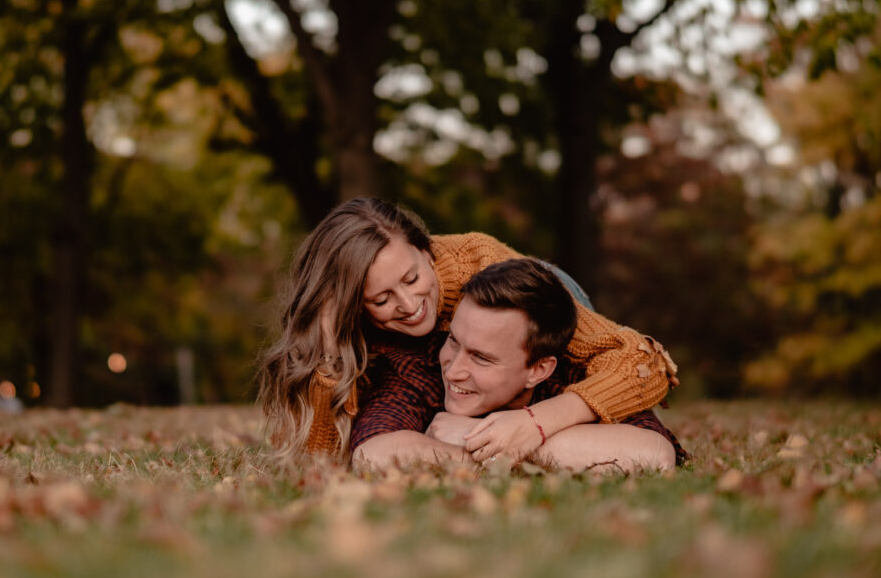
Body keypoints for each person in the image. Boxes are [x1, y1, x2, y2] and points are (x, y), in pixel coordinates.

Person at [257, 197, 680, 463]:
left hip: (532, 297)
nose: (408, 306)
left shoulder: (482, 264)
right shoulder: (374, 343)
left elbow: (642, 361)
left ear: (427, 252)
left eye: (411, 279)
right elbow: (320, 459)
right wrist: (326, 347)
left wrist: (531, 424)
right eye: (382, 299)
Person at [353, 258, 681, 471]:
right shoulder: (420, 367)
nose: (453, 370)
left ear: (538, 370)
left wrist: (481, 437)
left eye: (481, 357)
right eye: (454, 340)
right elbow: (372, 454)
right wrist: (485, 455)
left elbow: (654, 455)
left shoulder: (578, 376)